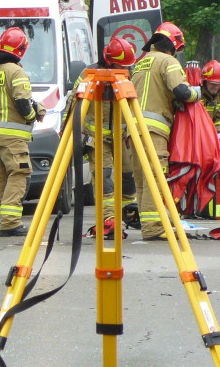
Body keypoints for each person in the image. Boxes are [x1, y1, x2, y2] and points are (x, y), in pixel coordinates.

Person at [128, 22, 199, 240]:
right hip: (154, 131)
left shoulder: (139, 64)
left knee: (141, 180)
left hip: (132, 131)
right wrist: (198, 93)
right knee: (155, 179)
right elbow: (181, 91)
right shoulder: (168, 62)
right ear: (172, 46)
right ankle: (153, 228)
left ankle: (149, 222)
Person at [0, 26, 45, 237]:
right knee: (19, 173)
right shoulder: (17, 71)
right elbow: (22, 102)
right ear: (20, 49)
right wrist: (32, 117)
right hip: (13, 138)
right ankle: (11, 223)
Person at [85, 36, 138, 239]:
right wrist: (74, 132)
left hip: (122, 137)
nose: (123, 70)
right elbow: (75, 103)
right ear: (108, 61)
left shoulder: (128, 77)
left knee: (128, 178)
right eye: (119, 66)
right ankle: (108, 219)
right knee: (104, 178)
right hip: (97, 138)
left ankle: (128, 213)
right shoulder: (91, 75)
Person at [201, 59, 220, 133]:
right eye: (212, 83)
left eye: (218, 83)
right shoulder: (197, 96)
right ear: (205, 81)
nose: (215, 86)